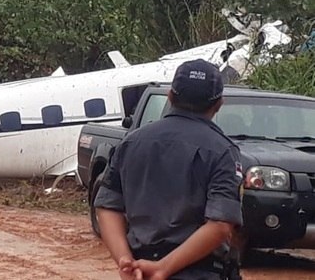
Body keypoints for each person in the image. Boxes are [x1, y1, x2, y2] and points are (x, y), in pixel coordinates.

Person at [94, 59, 243, 280]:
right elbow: (220, 225)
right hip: (199, 272)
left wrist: (125, 261)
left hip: (140, 271)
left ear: (170, 96)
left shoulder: (132, 142)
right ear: (219, 104)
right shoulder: (222, 151)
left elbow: (106, 206)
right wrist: (163, 268)